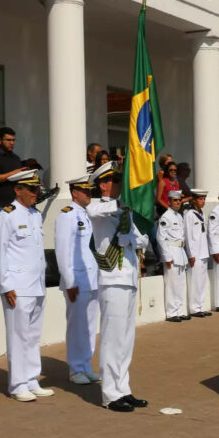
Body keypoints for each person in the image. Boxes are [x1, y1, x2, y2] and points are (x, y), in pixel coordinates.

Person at [88, 161, 149, 412]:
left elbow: (143, 238)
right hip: (112, 278)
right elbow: (96, 213)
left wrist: (132, 237)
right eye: (115, 180)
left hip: (130, 277)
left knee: (126, 339)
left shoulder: (126, 211)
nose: (119, 185)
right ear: (103, 184)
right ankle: (110, 394)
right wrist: (127, 203)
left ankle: (124, 388)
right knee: (112, 338)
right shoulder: (97, 206)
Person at [0, 169, 52, 401]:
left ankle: (31, 379)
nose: (36, 192)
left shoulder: (35, 215)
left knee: (33, 335)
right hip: (17, 285)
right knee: (18, 335)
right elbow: (0, 252)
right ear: (18, 190)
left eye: (37, 188)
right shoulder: (7, 215)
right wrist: (6, 285)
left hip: (36, 283)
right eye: (31, 189)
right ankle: (17, 384)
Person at [55, 175, 102, 385]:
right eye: (86, 191)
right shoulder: (67, 215)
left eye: (91, 191)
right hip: (77, 279)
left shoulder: (89, 214)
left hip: (92, 277)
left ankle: (86, 365)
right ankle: (75, 369)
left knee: (90, 325)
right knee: (77, 326)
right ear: (75, 193)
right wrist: (69, 280)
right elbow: (63, 250)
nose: (89, 194)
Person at [158, 190, 189, 322]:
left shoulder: (179, 216)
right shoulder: (166, 217)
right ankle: (171, 312)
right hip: (171, 253)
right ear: (169, 201)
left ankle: (179, 310)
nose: (178, 202)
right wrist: (166, 257)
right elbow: (161, 238)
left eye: (179, 200)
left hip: (180, 253)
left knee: (180, 284)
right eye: (175, 200)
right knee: (172, 284)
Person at [0, 127, 29, 219]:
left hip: (16, 204)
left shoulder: (16, 158)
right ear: (0, 141)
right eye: (8, 140)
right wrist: (13, 173)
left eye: (13, 140)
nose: (12, 143)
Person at [184, 190, 212, 318]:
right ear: (194, 200)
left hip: (203, 251)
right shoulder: (189, 214)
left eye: (204, 199)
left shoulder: (202, 213)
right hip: (195, 252)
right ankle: (194, 308)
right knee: (195, 281)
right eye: (200, 199)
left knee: (201, 281)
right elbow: (188, 236)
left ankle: (200, 305)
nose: (203, 201)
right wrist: (190, 254)